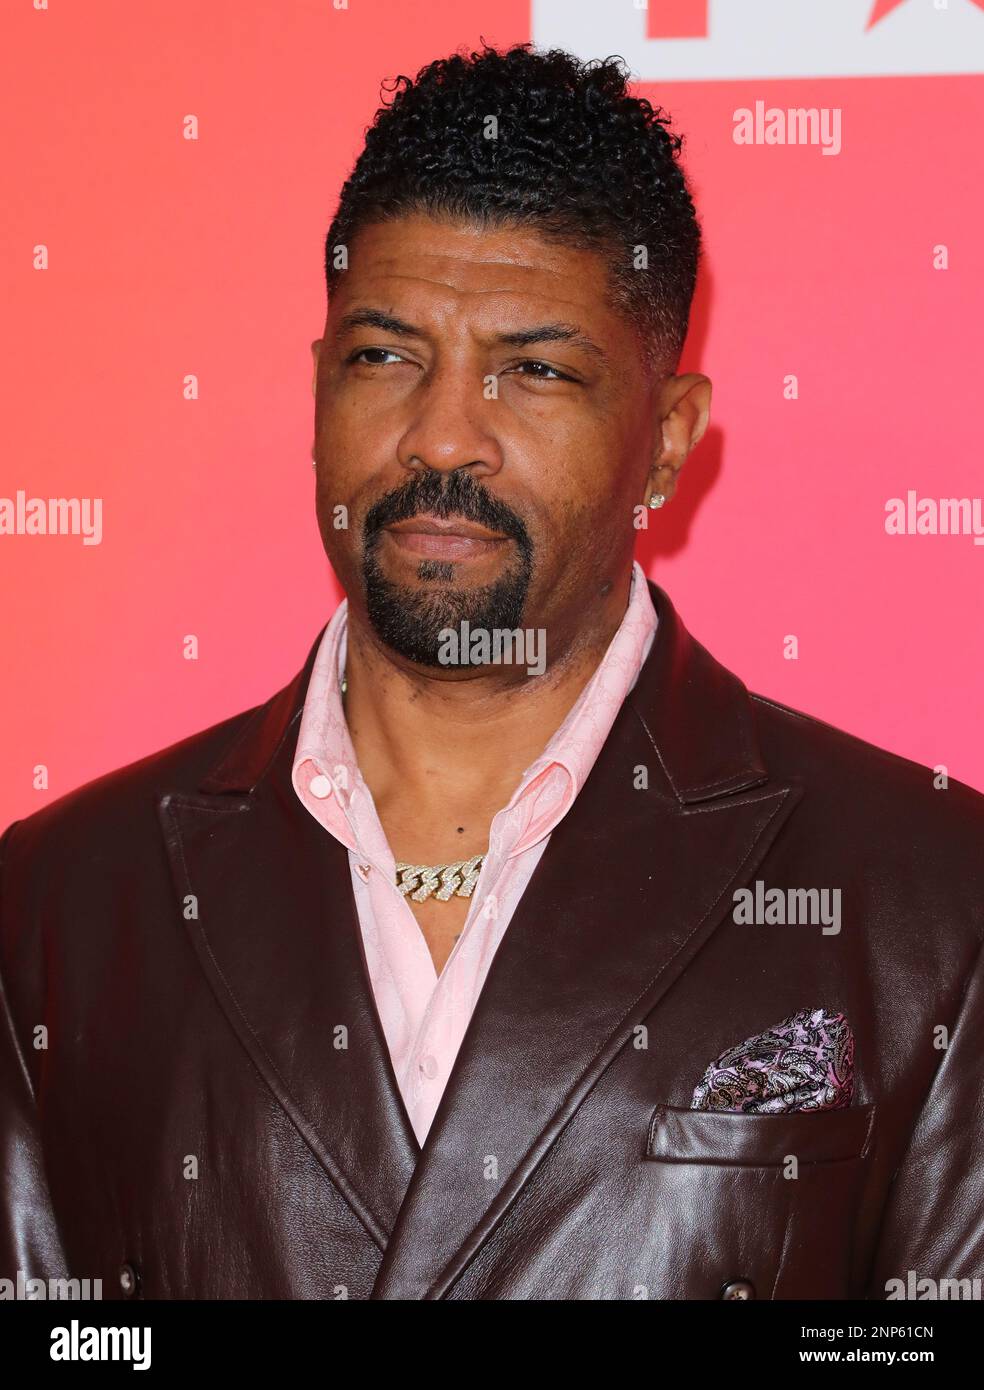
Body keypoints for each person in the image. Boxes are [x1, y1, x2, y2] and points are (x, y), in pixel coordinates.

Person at [2, 43, 981, 1303]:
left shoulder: (929, 902)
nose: (443, 433)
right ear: (314, 390)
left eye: (535, 369)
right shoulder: (63, 906)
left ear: (668, 443)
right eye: (385, 356)